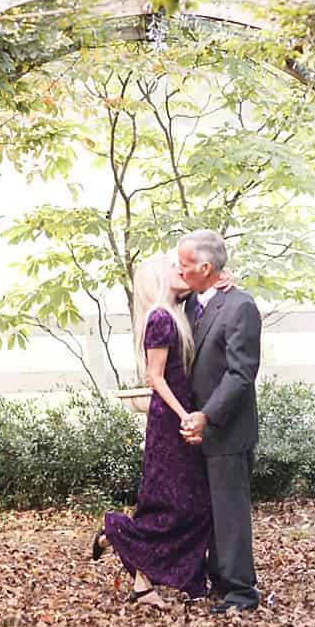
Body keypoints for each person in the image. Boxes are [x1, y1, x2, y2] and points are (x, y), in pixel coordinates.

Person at [91, 252, 212, 607]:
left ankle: (132, 567)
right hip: (168, 422)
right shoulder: (160, 318)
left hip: (180, 418)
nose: (181, 270)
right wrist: (184, 415)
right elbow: (154, 377)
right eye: (173, 268)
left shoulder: (184, 314)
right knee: (171, 506)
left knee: (189, 506)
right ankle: (117, 534)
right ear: (158, 279)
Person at [177, 229, 262, 613]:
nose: (179, 270)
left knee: (230, 513)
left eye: (184, 264)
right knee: (208, 509)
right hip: (193, 428)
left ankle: (241, 593)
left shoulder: (240, 307)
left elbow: (240, 374)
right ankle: (217, 580)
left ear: (206, 267)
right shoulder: (195, 301)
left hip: (226, 429)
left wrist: (207, 416)